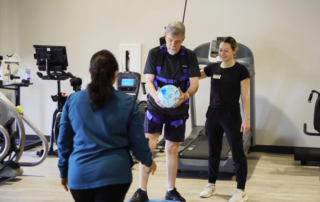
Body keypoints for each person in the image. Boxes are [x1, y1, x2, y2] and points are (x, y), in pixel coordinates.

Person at [57, 49, 157, 202]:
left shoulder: (72, 100)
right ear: (115, 74)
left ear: (90, 72)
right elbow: (138, 142)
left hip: (79, 175)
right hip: (116, 175)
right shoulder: (129, 103)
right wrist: (148, 160)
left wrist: (63, 171)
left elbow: (63, 142)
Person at [129, 21, 200, 202]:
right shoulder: (155, 54)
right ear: (165, 36)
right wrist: (157, 97)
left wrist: (186, 95)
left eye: (177, 41)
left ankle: (171, 190)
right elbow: (150, 81)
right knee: (149, 146)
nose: (172, 45)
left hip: (178, 109)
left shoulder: (190, 56)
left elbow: (194, 84)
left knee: (172, 149)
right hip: (156, 107)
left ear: (183, 39)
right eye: (170, 40)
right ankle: (141, 191)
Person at [198, 37, 250, 202]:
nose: (222, 53)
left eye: (226, 50)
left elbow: (245, 97)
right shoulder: (213, 68)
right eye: (220, 50)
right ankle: (211, 184)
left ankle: (241, 190)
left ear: (234, 50)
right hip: (213, 113)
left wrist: (246, 119)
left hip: (231, 115)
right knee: (213, 151)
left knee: (237, 153)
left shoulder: (241, 71)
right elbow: (195, 76)